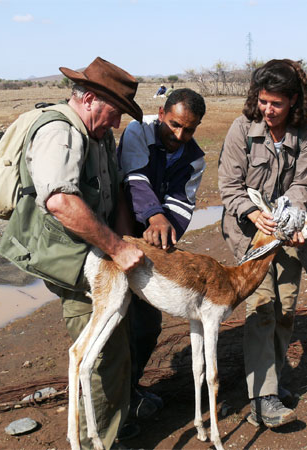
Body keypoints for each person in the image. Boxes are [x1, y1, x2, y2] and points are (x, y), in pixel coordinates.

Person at [0, 57, 145, 450]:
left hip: (92, 249)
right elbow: (60, 202)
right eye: (115, 113)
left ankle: (117, 422)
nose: (117, 123)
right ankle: (97, 442)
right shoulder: (60, 132)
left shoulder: (98, 134)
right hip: (64, 254)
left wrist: (127, 243)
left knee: (121, 333)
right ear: (92, 99)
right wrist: (116, 247)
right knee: (102, 351)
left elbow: (114, 192)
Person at [218, 59, 307, 428]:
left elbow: (302, 187)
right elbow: (229, 187)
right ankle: (262, 398)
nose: (268, 110)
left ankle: (273, 381)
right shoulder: (241, 130)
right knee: (261, 305)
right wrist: (252, 213)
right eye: (263, 101)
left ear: (294, 101)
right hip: (249, 232)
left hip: (289, 231)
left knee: (286, 307)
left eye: (276, 103)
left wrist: (290, 219)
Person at [116, 88, 206, 438]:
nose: (179, 136)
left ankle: (129, 389)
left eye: (189, 129)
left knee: (147, 324)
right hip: (117, 235)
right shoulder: (139, 131)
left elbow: (183, 205)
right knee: (115, 319)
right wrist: (154, 217)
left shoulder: (194, 157)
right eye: (174, 125)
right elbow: (134, 178)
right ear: (160, 113)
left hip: (153, 247)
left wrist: (164, 231)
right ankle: (113, 403)